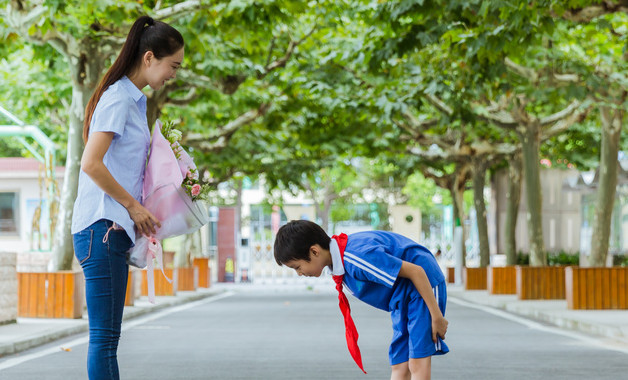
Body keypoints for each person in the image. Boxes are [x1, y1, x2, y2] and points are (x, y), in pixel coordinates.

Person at [71, 15, 184, 380]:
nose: (174, 75)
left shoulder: (133, 101)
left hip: (109, 229)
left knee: (108, 340)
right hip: (101, 228)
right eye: (173, 66)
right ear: (149, 58)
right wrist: (134, 206)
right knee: (104, 340)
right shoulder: (119, 98)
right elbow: (91, 162)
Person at [274, 220, 448, 380]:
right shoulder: (340, 262)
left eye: (297, 267)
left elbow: (416, 271)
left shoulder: (356, 257)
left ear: (314, 251)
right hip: (401, 298)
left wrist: (437, 316)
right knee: (399, 365)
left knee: (417, 362)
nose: (299, 273)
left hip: (422, 287)